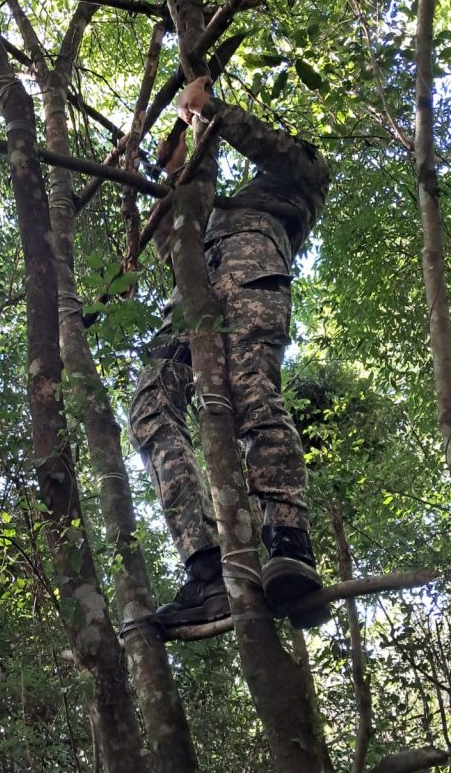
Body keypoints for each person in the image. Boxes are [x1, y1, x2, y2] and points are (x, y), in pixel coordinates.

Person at [129, 77, 331, 629]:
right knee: (149, 405)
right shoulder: (213, 209)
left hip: (250, 267)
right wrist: (176, 175)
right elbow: (177, 247)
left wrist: (208, 113)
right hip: (192, 292)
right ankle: (204, 569)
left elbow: (276, 149)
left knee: (250, 390)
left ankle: (289, 541)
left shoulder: (301, 177)